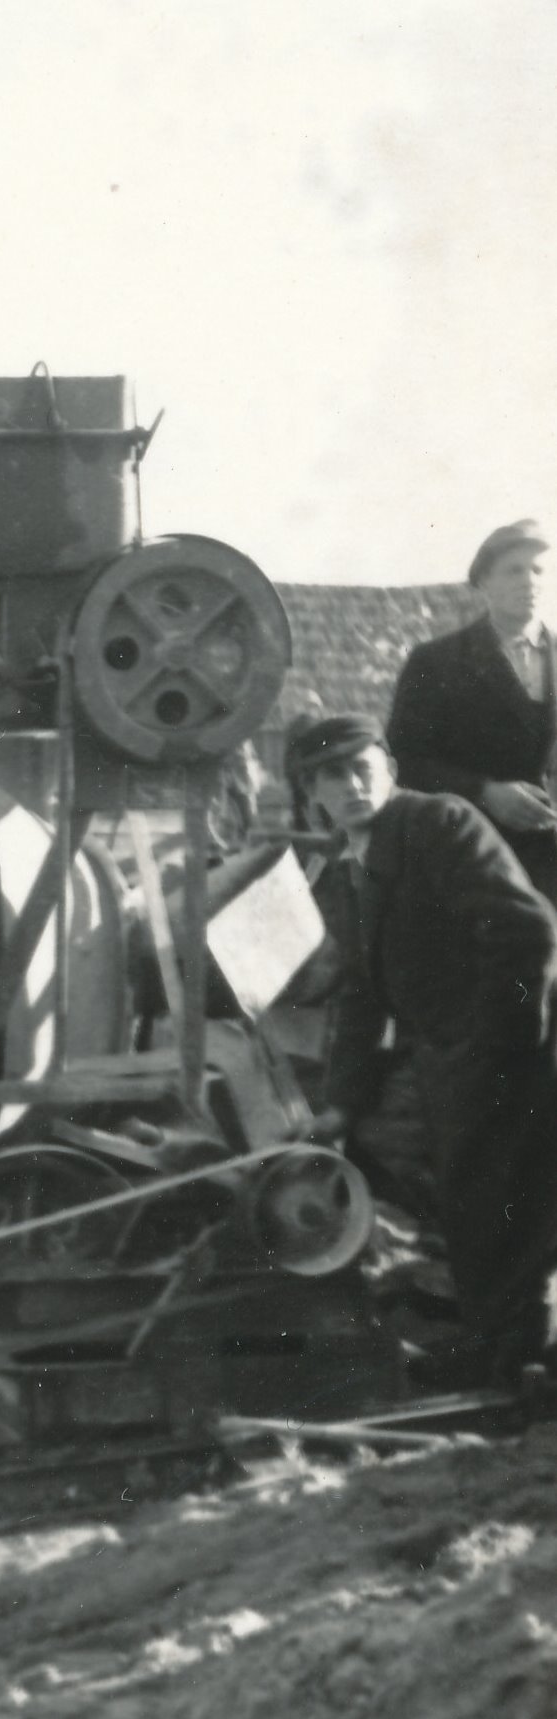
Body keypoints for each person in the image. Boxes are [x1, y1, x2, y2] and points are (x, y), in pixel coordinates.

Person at [293, 713, 557, 1382]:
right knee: (473, 1199)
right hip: (453, 1051)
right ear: (311, 793)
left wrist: (493, 1049)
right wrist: (341, 1104)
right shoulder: (350, 864)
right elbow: (362, 991)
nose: (353, 785)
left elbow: (527, 931)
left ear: (389, 769)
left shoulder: (437, 823)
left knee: (500, 1197)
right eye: (333, 776)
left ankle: (513, 1359)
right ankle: (502, 1343)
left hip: (514, 1044)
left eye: (363, 768)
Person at [385, 519, 557, 903]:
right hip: (473, 859)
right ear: (483, 582)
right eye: (514, 570)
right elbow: (406, 760)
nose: (528, 581)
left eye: (538, 570)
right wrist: (484, 793)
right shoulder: (438, 661)